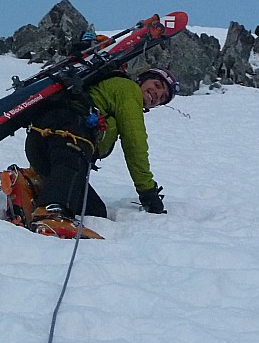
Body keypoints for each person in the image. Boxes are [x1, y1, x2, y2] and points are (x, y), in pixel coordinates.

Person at [24, 67, 178, 230]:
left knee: (94, 211)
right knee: (63, 194)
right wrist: (147, 191)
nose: (156, 94)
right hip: (71, 136)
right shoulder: (129, 89)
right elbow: (134, 142)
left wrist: (39, 168)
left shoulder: (112, 89)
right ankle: (51, 213)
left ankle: (31, 184)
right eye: (157, 85)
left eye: (162, 98)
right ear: (143, 79)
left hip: (42, 140)